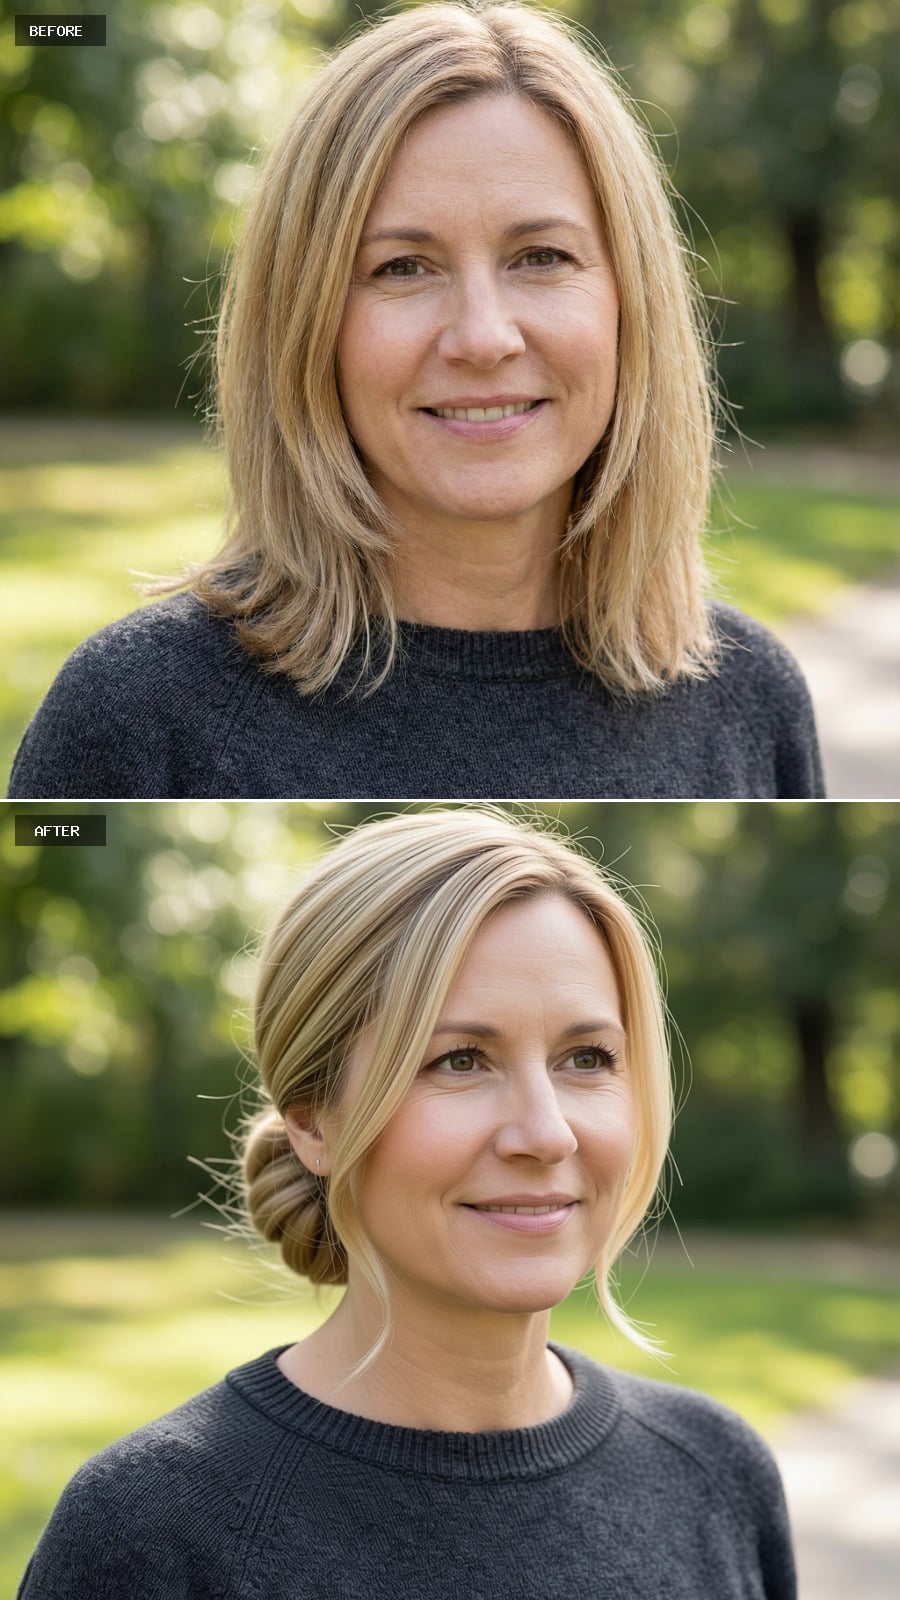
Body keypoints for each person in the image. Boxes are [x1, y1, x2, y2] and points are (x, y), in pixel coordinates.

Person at [8, 2, 822, 800]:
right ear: (304, 322)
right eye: (403, 267)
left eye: (540, 256)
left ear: (629, 302)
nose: (482, 336)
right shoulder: (139, 717)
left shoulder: (751, 702)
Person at [18, 809, 797, 1599]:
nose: (546, 1132)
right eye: (459, 1059)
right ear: (314, 1120)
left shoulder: (715, 1475)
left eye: (586, 1058)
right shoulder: (151, 1531)